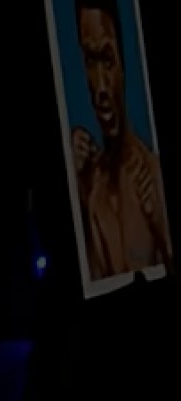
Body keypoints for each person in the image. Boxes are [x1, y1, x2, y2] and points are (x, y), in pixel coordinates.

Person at [71, 0, 171, 280]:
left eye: (107, 59)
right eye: (91, 62)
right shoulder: (92, 190)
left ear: (123, 64)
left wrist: (165, 234)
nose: (101, 86)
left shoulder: (151, 176)